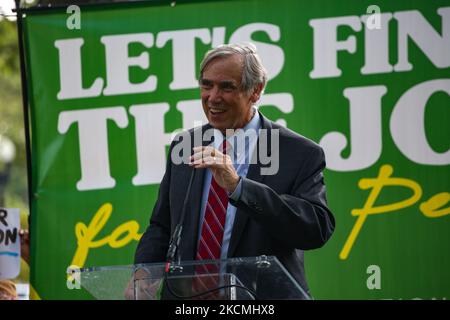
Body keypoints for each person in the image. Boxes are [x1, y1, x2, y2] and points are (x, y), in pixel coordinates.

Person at [134, 43, 335, 297]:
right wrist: (143, 271)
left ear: (256, 90)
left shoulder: (299, 153)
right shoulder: (184, 146)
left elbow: (315, 229)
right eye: (206, 85)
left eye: (227, 87)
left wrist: (239, 188)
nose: (213, 97)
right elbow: (163, 226)